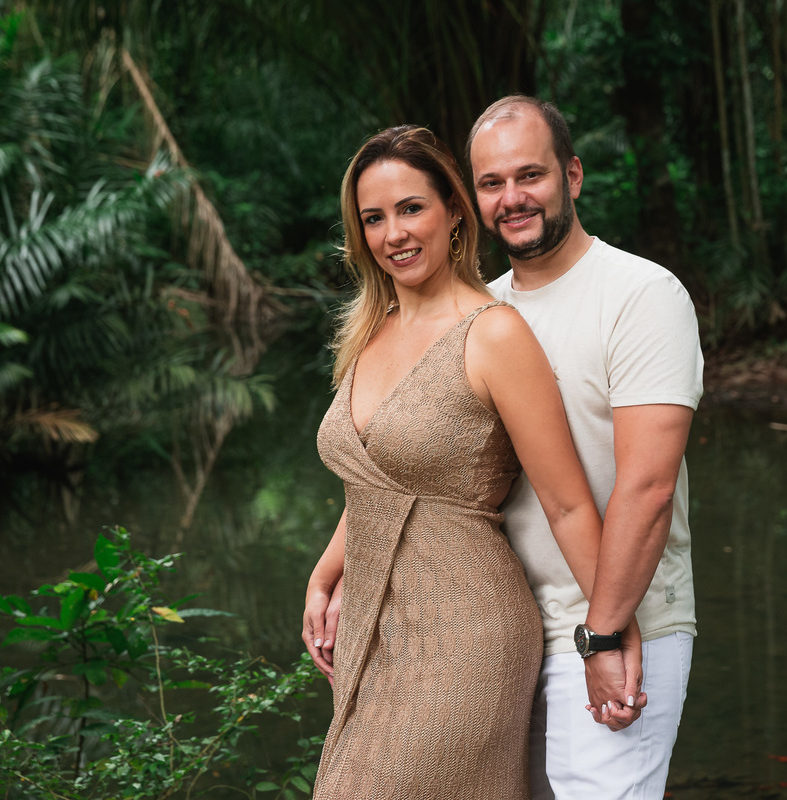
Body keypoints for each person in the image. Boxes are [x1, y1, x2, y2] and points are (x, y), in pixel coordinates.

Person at [300, 125, 639, 800]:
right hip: (377, 624)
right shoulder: (368, 332)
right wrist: (323, 576)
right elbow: (377, 487)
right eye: (373, 217)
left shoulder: (494, 333)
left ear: (454, 210)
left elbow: (567, 501)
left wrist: (610, 633)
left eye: (410, 208)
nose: (393, 232)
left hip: (467, 634)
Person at [466, 96, 704, 799]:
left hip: (621, 623)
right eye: (491, 183)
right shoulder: (478, 310)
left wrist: (602, 636)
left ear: (572, 175)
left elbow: (648, 488)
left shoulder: (641, 295)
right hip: (504, 633)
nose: (512, 198)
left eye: (529, 175)